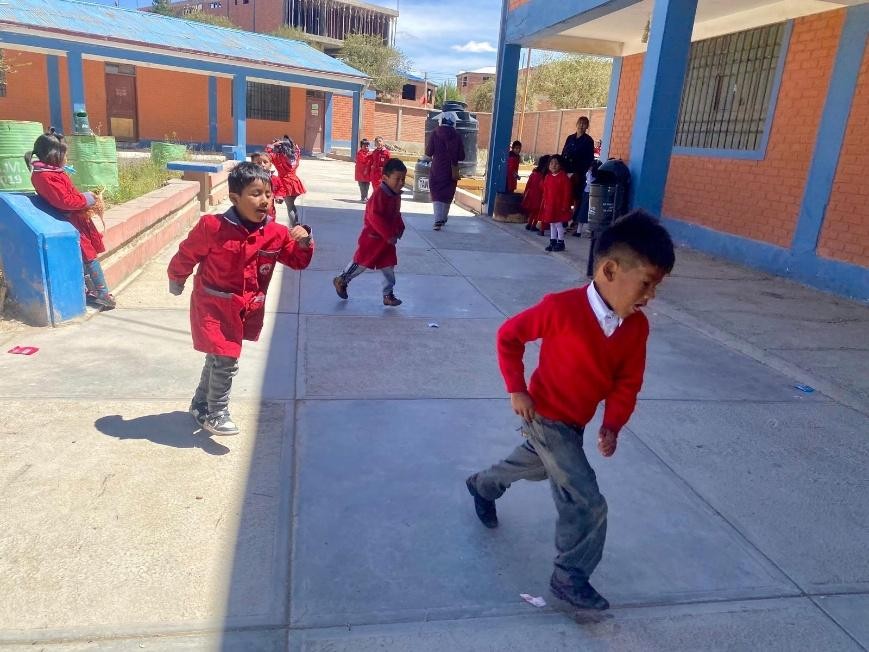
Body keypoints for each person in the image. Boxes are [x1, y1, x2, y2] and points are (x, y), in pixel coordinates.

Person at [465, 210, 675, 612]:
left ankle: (482, 485)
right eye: (646, 284)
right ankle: (569, 576)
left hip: (575, 424)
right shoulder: (560, 309)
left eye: (656, 287)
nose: (650, 297)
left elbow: (627, 382)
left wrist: (612, 424)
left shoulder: (636, 328)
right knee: (584, 498)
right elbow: (509, 336)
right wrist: (517, 390)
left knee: (537, 466)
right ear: (610, 270)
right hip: (544, 415)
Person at [167, 162, 314, 437]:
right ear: (235, 198)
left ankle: (200, 403)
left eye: (268, 194)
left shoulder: (275, 234)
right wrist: (177, 277)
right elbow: (187, 254)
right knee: (226, 358)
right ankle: (216, 412)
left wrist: (304, 241)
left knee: (217, 356)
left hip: (245, 308)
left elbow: (297, 261)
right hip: (212, 305)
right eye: (256, 193)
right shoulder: (212, 227)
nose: (265, 200)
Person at [27, 129, 115, 311]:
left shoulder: (53, 172)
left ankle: (91, 291)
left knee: (87, 255)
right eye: (64, 154)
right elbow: (65, 201)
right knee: (88, 256)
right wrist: (89, 199)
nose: (66, 158)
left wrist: (85, 198)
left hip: (76, 218)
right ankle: (102, 293)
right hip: (69, 221)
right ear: (54, 155)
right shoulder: (44, 176)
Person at [333, 158, 407, 307]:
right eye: (397, 179)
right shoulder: (379, 195)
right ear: (385, 178)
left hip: (387, 242)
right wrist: (388, 234)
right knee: (360, 264)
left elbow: (396, 214)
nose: (401, 182)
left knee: (389, 267)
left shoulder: (395, 194)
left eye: (403, 179)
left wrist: (399, 227)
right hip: (372, 240)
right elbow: (375, 217)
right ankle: (341, 279)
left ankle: (388, 294)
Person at [425, 111, 465, 231]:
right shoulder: (457, 136)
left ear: (441, 121)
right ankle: (443, 217)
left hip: (437, 168)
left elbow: (429, 152)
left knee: (436, 193)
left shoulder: (435, 134)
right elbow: (462, 156)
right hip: (451, 169)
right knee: (448, 193)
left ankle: (438, 219)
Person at [561, 117, 595, 229]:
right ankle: (563, 218)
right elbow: (563, 152)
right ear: (576, 124)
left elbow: (590, 158)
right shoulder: (570, 138)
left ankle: (574, 220)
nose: (581, 126)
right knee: (565, 195)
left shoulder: (588, 140)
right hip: (567, 170)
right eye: (580, 123)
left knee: (577, 196)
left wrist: (585, 170)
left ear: (587, 126)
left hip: (579, 172)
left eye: (584, 124)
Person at [266, 136, 305, 226]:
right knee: (291, 205)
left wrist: (272, 145)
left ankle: (295, 226)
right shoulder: (295, 155)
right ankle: (295, 224)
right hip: (295, 182)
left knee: (290, 207)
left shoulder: (278, 157)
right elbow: (297, 149)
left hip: (285, 183)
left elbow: (267, 154)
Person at [539, 155, 573, 252]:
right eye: (552, 163)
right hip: (550, 205)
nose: (554, 165)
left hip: (559, 207)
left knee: (558, 224)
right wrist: (545, 203)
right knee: (552, 224)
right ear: (548, 165)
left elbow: (567, 193)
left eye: (556, 163)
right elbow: (545, 191)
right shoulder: (548, 177)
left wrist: (565, 206)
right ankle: (552, 241)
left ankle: (560, 242)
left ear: (560, 165)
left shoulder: (563, 177)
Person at [522, 154, 550, 232]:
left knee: (533, 212)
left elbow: (528, 184)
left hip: (531, 195)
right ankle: (533, 225)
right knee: (537, 212)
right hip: (538, 196)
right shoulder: (543, 176)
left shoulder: (534, 173)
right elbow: (543, 187)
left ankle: (529, 224)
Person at [250, 152, 280, 223]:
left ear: (270, 165)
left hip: (269, 209)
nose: (262, 165)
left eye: (265, 162)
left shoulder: (274, 178)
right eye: (258, 162)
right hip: (254, 208)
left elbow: (280, 187)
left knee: (270, 226)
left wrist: (279, 195)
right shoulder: (250, 179)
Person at [355, 138, 372, 202]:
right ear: (361, 146)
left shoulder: (370, 153)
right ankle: (363, 197)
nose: (366, 147)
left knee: (367, 185)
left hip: (367, 172)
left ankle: (366, 196)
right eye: (364, 145)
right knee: (362, 185)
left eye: (367, 145)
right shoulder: (360, 153)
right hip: (361, 172)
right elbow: (365, 161)